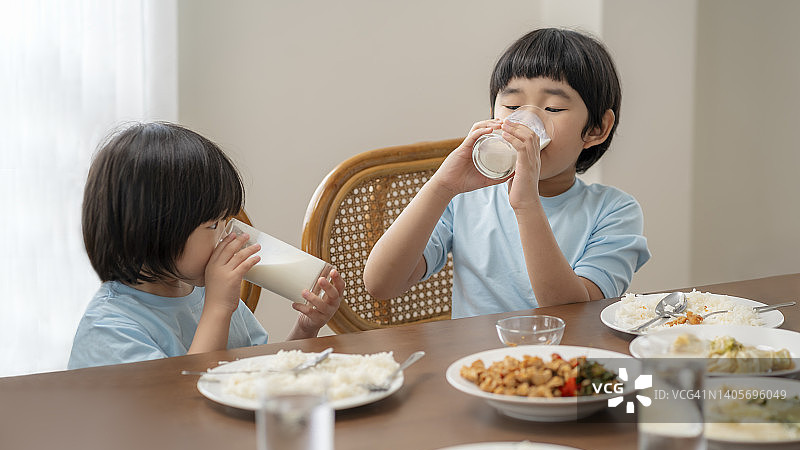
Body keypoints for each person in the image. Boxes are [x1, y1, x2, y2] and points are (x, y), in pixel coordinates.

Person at [363, 28, 650, 318]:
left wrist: (526, 205)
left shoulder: (615, 211)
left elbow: (575, 316)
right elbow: (381, 284)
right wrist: (441, 187)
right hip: (473, 361)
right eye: (512, 106)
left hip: (566, 359)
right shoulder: (466, 198)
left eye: (553, 107)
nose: (528, 120)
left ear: (597, 128)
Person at [69, 122, 344, 369]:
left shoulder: (203, 295)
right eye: (213, 226)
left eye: (226, 222)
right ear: (151, 229)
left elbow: (259, 377)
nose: (226, 236)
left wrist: (305, 329)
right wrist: (217, 308)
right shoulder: (108, 328)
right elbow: (185, 404)